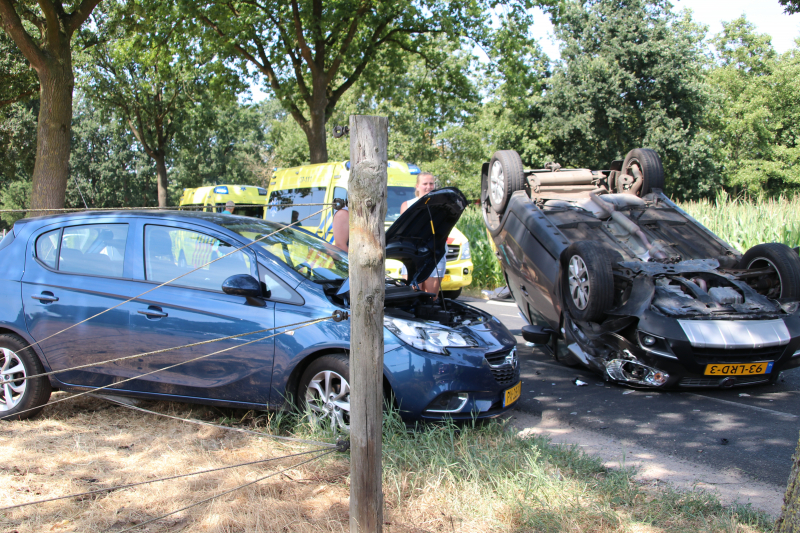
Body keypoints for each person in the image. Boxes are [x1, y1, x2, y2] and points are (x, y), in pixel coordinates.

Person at [399, 172, 445, 297]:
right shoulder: (407, 205)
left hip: (434, 253)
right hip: (412, 254)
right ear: (417, 186)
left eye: (431, 183)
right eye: (425, 183)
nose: (429, 186)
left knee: (431, 298)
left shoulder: (442, 206)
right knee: (410, 295)